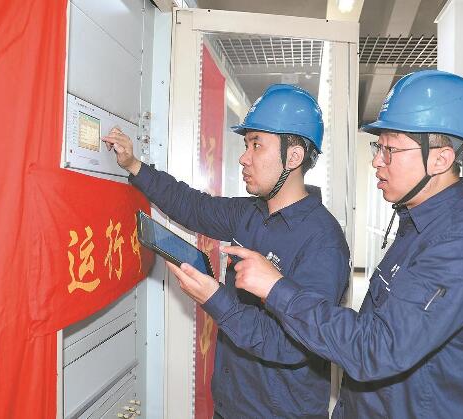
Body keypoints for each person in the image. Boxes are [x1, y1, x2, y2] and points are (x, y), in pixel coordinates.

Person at [174, 70, 463, 418]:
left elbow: (376, 349)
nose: (376, 160)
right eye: (378, 147)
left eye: (390, 148)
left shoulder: (461, 245)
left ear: (440, 158)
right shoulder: (422, 225)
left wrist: (275, 288)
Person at [103, 84, 351, 419]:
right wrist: (134, 165)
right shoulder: (250, 213)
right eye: (246, 144)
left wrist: (214, 296)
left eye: (256, 145)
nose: (243, 157)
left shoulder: (323, 242)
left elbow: (292, 345)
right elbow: (192, 206)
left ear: (293, 157)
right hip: (231, 405)